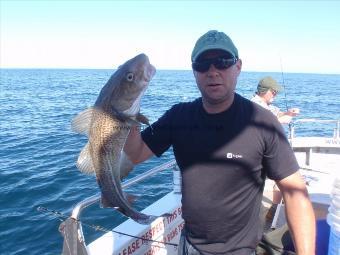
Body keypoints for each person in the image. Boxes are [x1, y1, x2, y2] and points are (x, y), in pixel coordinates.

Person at [124, 30, 315, 255]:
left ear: (238, 67)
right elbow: (134, 154)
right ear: (194, 70)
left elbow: (295, 193)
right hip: (190, 245)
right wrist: (127, 105)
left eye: (222, 62)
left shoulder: (263, 122)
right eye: (203, 64)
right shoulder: (179, 116)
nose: (212, 71)